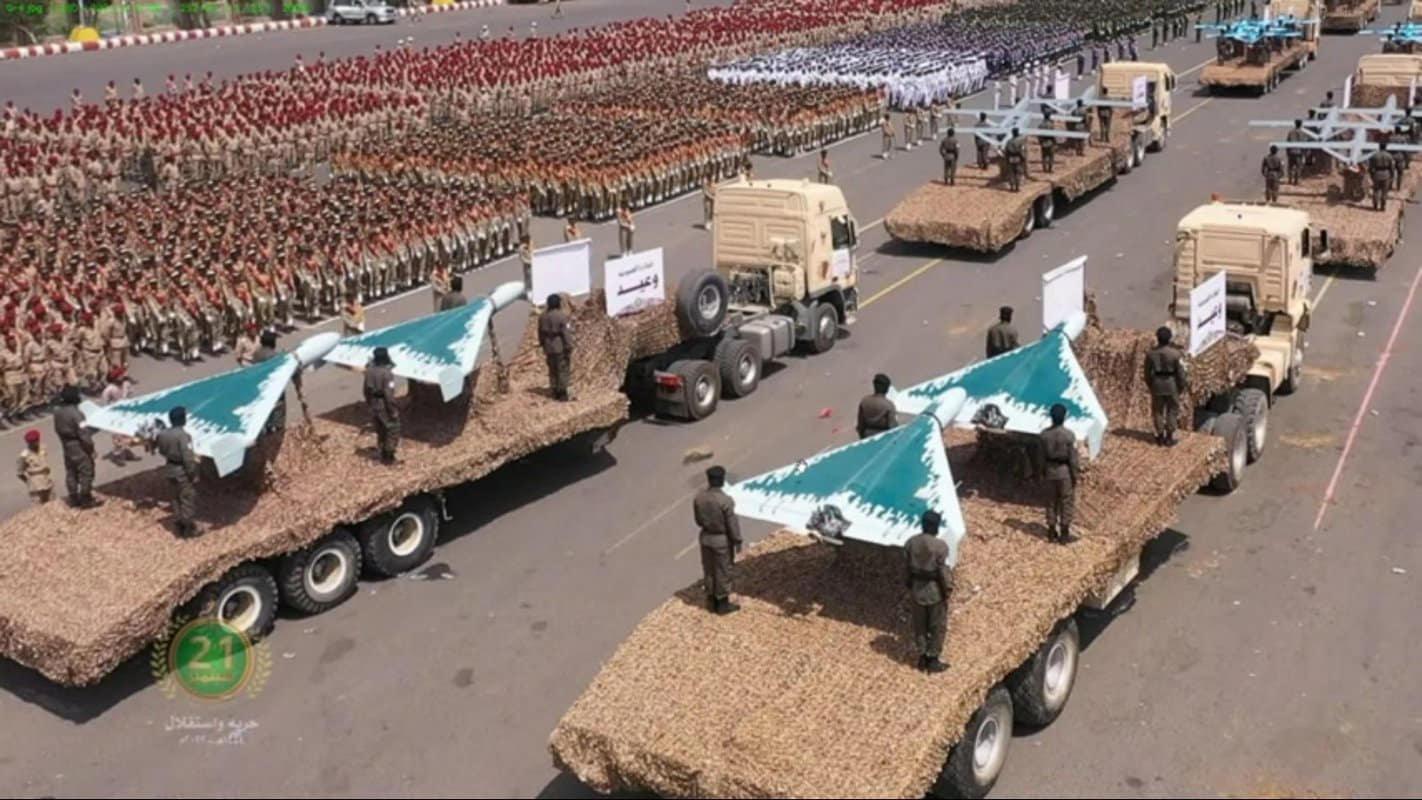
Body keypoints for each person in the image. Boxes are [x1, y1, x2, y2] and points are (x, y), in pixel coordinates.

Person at [905, 510, 952, 674]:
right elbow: (943, 572)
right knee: (937, 625)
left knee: (920, 625)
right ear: (936, 526)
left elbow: (907, 569)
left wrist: (909, 585)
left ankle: (922, 656)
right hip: (934, 591)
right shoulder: (940, 546)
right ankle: (933, 659)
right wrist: (947, 589)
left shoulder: (911, 543)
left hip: (917, 589)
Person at [694, 464, 743, 615]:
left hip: (706, 537)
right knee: (722, 570)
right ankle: (722, 604)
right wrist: (737, 540)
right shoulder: (725, 501)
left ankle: (711, 601)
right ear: (722, 480)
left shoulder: (699, 498)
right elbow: (732, 524)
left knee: (709, 569)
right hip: (721, 540)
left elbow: (698, 521)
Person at [53, 385, 99, 508]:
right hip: (78, 446)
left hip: (66, 445)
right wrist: (91, 449)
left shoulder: (57, 412)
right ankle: (86, 498)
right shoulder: (77, 414)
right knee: (86, 471)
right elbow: (84, 435)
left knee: (71, 471)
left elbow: (57, 429)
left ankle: (73, 497)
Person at [1039, 403, 1079, 543]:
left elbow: (1040, 457)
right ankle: (1064, 533)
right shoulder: (1069, 436)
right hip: (1064, 472)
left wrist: (1042, 472)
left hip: (1050, 470)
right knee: (1066, 501)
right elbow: (1073, 459)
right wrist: (1075, 475)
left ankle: (1051, 530)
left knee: (1051, 501)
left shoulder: (1044, 435)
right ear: (1064, 417)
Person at [156, 406, 199, 536]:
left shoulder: (162, 434)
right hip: (181, 471)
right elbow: (188, 458)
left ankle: (178, 523)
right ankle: (188, 528)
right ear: (182, 419)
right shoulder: (184, 436)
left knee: (175, 498)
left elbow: (161, 450)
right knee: (187, 498)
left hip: (169, 468)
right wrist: (193, 473)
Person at [1144, 326, 1187, 446]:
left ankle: (1160, 435)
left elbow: (1146, 372)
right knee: (1172, 410)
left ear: (1157, 338)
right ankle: (1169, 436)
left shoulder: (1151, 354)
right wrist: (1181, 385)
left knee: (1157, 410)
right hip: (1171, 384)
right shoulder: (1176, 354)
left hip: (1157, 384)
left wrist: (1150, 384)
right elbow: (1181, 373)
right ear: (1170, 338)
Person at [363, 347, 400, 464]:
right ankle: (389, 456)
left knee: (380, 430)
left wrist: (370, 403)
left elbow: (365, 390)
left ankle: (381, 452)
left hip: (374, 405)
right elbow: (389, 395)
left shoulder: (369, 371)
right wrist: (393, 411)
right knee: (393, 429)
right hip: (383, 405)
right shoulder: (387, 374)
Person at [538, 293, 574, 401]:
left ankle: (554, 390)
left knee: (552, 369)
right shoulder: (561, 316)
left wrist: (542, 344)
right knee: (562, 368)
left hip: (548, 346)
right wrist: (569, 346)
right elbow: (566, 333)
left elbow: (540, 333)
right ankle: (562, 392)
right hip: (559, 345)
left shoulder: (542, 317)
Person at [100, 367, 139, 463]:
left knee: (128, 434)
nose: (122, 377)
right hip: (115, 415)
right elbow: (105, 403)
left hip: (127, 413)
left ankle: (127, 452)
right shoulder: (109, 389)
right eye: (120, 376)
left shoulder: (126, 384)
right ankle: (117, 456)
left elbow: (131, 395)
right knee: (117, 437)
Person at [16, 429, 53, 505]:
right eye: (32, 442)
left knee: (52, 505)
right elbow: (20, 473)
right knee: (39, 508)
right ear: (28, 443)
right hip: (36, 487)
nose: (36, 443)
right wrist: (29, 482)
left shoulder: (42, 448)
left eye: (37, 440)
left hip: (48, 482)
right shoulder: (24, 455)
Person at [856, 373, 898, 439]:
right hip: (883, 437)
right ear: (887, 389)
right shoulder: (889, 405)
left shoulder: (864, 401)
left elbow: (860, 424)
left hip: (866, 436)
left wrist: (862, 437)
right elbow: (893, 428)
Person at [1371, 142, 1395, 211]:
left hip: (1377, 174)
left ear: (1379, 147)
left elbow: (1371, 167)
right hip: (1386, 174)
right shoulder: (1389, 156)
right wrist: (1392, 175)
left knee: (1376, 190)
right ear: (1385, 147)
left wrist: (1372, 175)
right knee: (1384, 191)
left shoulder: (1375, 155)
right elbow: (1392, 167)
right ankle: (1382, 206)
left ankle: (1375, 205)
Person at [1285, 120, 1307, 185]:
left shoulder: (1290, 132)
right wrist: (1304, 153)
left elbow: (1288, 142)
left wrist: (1287, 151)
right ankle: (1296, 181)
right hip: (1299, 153)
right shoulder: (1303, 133)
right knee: (1298, 167)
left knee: (1290, 167)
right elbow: (1304, 143)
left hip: (1291, 152)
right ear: (1301, 124)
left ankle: (1290, 180)